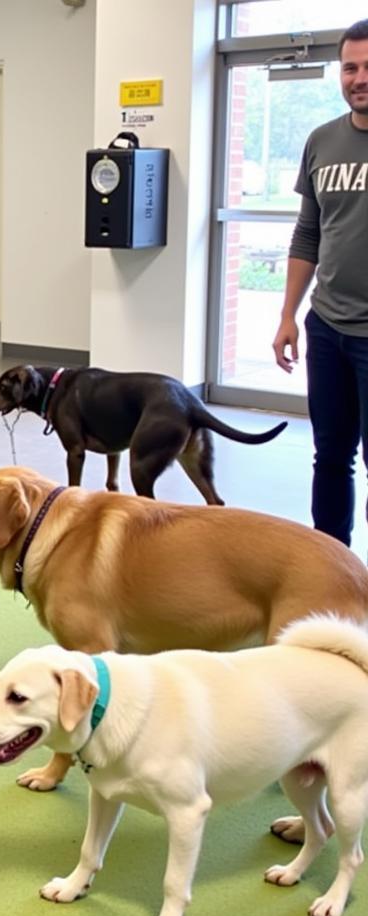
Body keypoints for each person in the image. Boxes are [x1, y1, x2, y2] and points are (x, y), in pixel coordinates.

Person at [272, 18, 368, 548]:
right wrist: (289, 313)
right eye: (350, 67)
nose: (359, 78)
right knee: (331, 456)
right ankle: (332, 572)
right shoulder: (322, 141)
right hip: (328, 327)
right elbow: (309, 233)